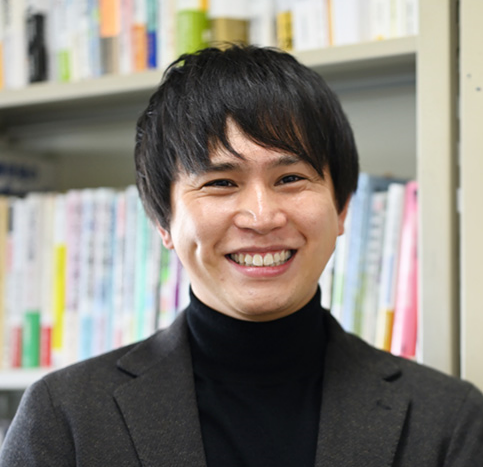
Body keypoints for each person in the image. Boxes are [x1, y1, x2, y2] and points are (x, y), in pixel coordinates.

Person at [1, 45, 483, 467]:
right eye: (220, 183)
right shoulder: (64, 417)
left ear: (341, 209)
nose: (261, 217)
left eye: (290, 178)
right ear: (163, 223)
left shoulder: (448, 421)